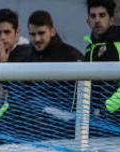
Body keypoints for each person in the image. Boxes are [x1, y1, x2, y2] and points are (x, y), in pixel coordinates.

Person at [22, 10, 83, 140]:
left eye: (41, 33)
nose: (37, 39)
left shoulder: (71, 56)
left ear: (52, 31)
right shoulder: (28, 58)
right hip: (35, 132)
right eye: (33, 34)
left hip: (67, 132)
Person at [84, 0, 120, 137]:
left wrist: (105, 109)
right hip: (91, 119)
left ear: (111, 20)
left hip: (113, 122)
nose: (97, 20)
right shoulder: (89, 48)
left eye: (102, 15)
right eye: (93, 16)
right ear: (88, 20)